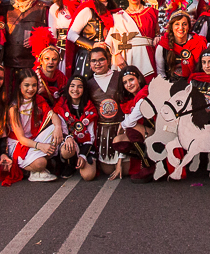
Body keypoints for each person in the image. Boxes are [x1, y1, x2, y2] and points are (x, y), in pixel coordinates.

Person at [6, 68, 63, 183]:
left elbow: (53, 116)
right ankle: (35, 168)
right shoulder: (14, 107)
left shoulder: (38, 99)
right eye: (26, 85)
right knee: (41, 163)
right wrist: (41, 146)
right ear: (19, 86)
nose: (31, 89)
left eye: (34, 85)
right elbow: (21, 138)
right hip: (19, 144)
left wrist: (57, 127)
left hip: (35, 138)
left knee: (58, 123)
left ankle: (35, 166)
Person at [66, 0, 119, 77]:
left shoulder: (114, 11)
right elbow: (71, 35)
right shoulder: (88, 10)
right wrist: (93, 45)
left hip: (107, 59)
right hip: (88, 60)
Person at [0, 0, 51, 90]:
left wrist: (40, 38)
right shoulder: (3, 6)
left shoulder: (44, 7)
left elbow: (55, 32)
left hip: (32, 67)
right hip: (8, 66)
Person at [85, 46, 126, 179]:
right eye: (94, 61)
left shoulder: (119, 76)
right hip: (103, 131)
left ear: (108, 60)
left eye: (101, 60)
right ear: (90, 63)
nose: (97, 63)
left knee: (126, 169)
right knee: (108, 170)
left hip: (121, 127)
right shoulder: (87, 84)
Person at [108, 0, 158, 79]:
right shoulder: (118, 16)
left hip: (148, 57)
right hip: (127, 56)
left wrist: (158, 37)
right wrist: (116, 55)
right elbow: (112, 39)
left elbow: (159, 33)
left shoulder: (152, 12)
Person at [111, 66, 157, 182]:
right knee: (118, 142)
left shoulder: (145, 93)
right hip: (144, 134)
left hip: (157, 134)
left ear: (139, 79)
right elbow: (128, 122)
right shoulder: (130, 99)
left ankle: (148, 166)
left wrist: (122, 125)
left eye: (131, 80)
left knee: (131, 128)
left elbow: (130, 122)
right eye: (125, 82)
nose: (129, 84)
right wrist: (119, 161)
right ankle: (149, 159)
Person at [54, 76, 98, 181]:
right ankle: (70, 163)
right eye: (72, 86)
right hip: (69, 142)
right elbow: (63, 129)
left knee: (88, 176)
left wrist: (83, 155)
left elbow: (91, 136)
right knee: (66, 149)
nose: (75, 90)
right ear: (68, 87)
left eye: (79, 87)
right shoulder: (62, 105)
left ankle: (81, 160)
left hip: (86, 144)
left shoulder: (90, 108)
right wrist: (68, 138)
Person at [47, 0, 83, 73]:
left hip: (81, 49)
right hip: (63, 50)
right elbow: (52, 34)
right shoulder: (55, 7)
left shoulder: (83, 6)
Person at [156, 9, 209, 81]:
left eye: (184, 24)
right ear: (171, 27)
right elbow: (161, 74)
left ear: (189, 27)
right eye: (177, 24)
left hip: (194, 85)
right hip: (169, 86)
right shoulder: (162, 46)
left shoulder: (198, 42)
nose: (181, 28)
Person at [29, 27, 69, 109]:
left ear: (58, 62)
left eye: (54, 59)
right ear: (41, 61)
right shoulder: (34, 76)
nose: (51, 62)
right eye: (47, 59)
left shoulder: (62, 78)